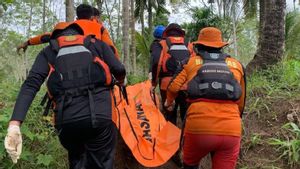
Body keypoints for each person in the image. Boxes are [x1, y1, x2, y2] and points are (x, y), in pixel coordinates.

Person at [4, 7, 126, 169]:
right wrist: (120, 81)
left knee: (77, 161)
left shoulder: (49, 50)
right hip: (101, 115)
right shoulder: (97, 40)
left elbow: (31, 84)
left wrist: (15, 124)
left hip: (67, 121)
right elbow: (118, 67)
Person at [164, 27, 246, 169]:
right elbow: (241, 101)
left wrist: (169, 103)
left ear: (199, 45)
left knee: (190, 165)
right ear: (221, 46)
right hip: (231, 129)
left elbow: (173, 87)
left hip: (198, 128)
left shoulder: (190, 62)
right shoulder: (237, 65)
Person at [16, 5, 119, 58]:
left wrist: (27, 42)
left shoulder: (68, 27)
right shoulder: (99, 28)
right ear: (94, 17)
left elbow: (46, 37)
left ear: (77, 17)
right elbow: (112, 50)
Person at [151, 23, 191, 125]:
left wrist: (154, 83)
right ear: (181, 34)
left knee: (169, 114)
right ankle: (184, 138)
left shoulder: (162, 44)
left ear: (166, 33)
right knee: (186, 115)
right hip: (185, 85)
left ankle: (170, 138)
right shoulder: (189, 44)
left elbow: (157, 63)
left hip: (167, 85)